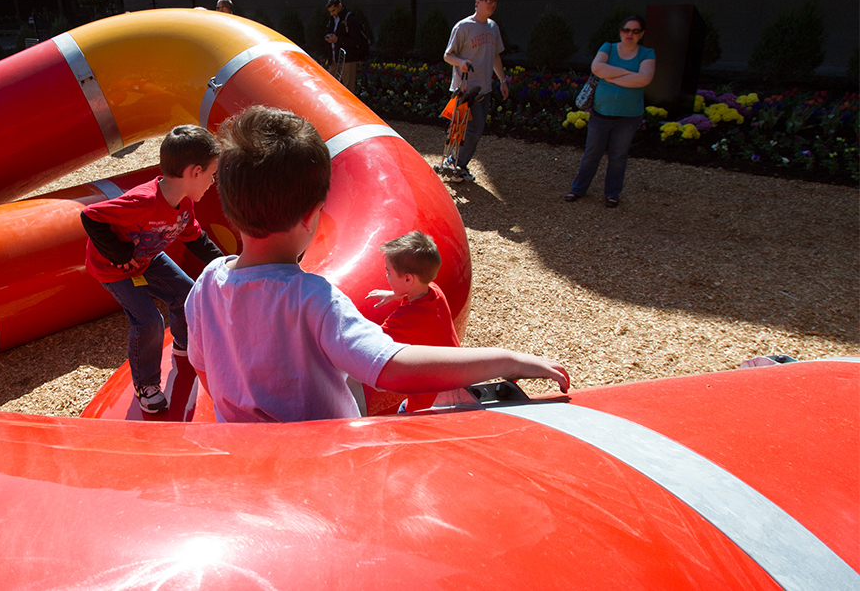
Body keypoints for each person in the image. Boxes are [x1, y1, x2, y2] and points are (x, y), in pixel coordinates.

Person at [185, 106, 569, 423]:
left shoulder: (204, 286)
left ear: (229, 209)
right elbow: (392, 367)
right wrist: (505, 359)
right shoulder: (312, 299)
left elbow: (204, 370)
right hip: (323, 464)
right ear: (313, 215)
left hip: (245, 461)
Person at [80, 125, 225, 413]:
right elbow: (91, 216)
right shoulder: (144, 201)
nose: (212, 182)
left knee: (186, 294)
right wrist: (120, 255)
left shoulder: (184, 201)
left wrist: (228, 266)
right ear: (194, 172)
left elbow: (195, 237)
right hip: (114, 268)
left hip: (148, 257)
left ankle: (183, 346)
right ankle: (146, 384)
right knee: (149, 320)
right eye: (212, 175)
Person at [365, 230, 460, 414]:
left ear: (408, 278)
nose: (387, 277)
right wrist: (393, 294)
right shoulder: (435, 291)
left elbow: (368, 344)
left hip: (427, 404)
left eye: (389, 273)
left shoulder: (403, 320)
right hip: (456, 387)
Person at [565, 16, 655, 208]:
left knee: (618, 155)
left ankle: (612, 193)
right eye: (626, 30)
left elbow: (645, 79)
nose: (630, 34)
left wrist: (611, 75)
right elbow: (597, 68)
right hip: (601, 112)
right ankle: (578, 189)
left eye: (635, 31)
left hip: (628, 116)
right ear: (620, 31)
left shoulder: (647, 53)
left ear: (642, 34)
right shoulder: (609, 48)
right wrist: (629, 74)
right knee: (592, 153)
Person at [442, 0, 510, 180]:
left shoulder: (493, 27)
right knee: (475, 128)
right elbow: (448, 55)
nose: (492, 4)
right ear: (477, 2)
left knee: (471, 129)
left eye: (495, 1)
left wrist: (503, 80)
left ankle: (456, 163)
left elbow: (495, 55)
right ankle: (456, 164)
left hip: (485, 88)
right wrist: (461, 62)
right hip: (465, 88)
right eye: (488, 0)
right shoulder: (463, 27)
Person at [324, 0, 368, 94]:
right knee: (332, 88)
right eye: (330, 11)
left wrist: (337, 40)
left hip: (347, 58)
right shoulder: (332, 19)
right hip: (335, 57)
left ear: (340, 6)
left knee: (348, 89)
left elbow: (355, 40)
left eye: (334, 10)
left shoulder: (350, 19)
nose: (332, 13)